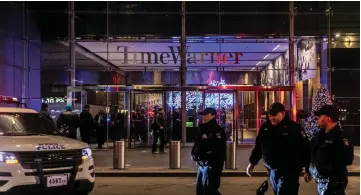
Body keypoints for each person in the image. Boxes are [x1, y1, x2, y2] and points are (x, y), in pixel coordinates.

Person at [247, 102, 311, 195]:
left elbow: (306, 149)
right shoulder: (265, 128)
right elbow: (259, 147)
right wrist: (252, 162)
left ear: (283, 114)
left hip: (290, 172)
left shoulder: (294, 128)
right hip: (272, 171)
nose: (271, 118)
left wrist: (308, 169)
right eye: (270, 115)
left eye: (274, 115)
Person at [310, 105, 354, 195]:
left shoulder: (340, 137)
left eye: (320, 116)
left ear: (328, 119)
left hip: (334, 183)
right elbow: (314, 152)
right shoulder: (320, 135)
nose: (317, 119)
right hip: (321, 181)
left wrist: (329, 168)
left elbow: (348, 159)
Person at [191, 107, 226, 195]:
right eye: (203, 115)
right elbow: (198, 144)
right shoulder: (203, 128)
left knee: (210, 190)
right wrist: (195, 155)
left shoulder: (217, 130)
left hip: (211, 165)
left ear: (212, 116)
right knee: (202, 190)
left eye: (206, 114)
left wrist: (205, 156)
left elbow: (218, 149)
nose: (203, 117)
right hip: (202, 164)